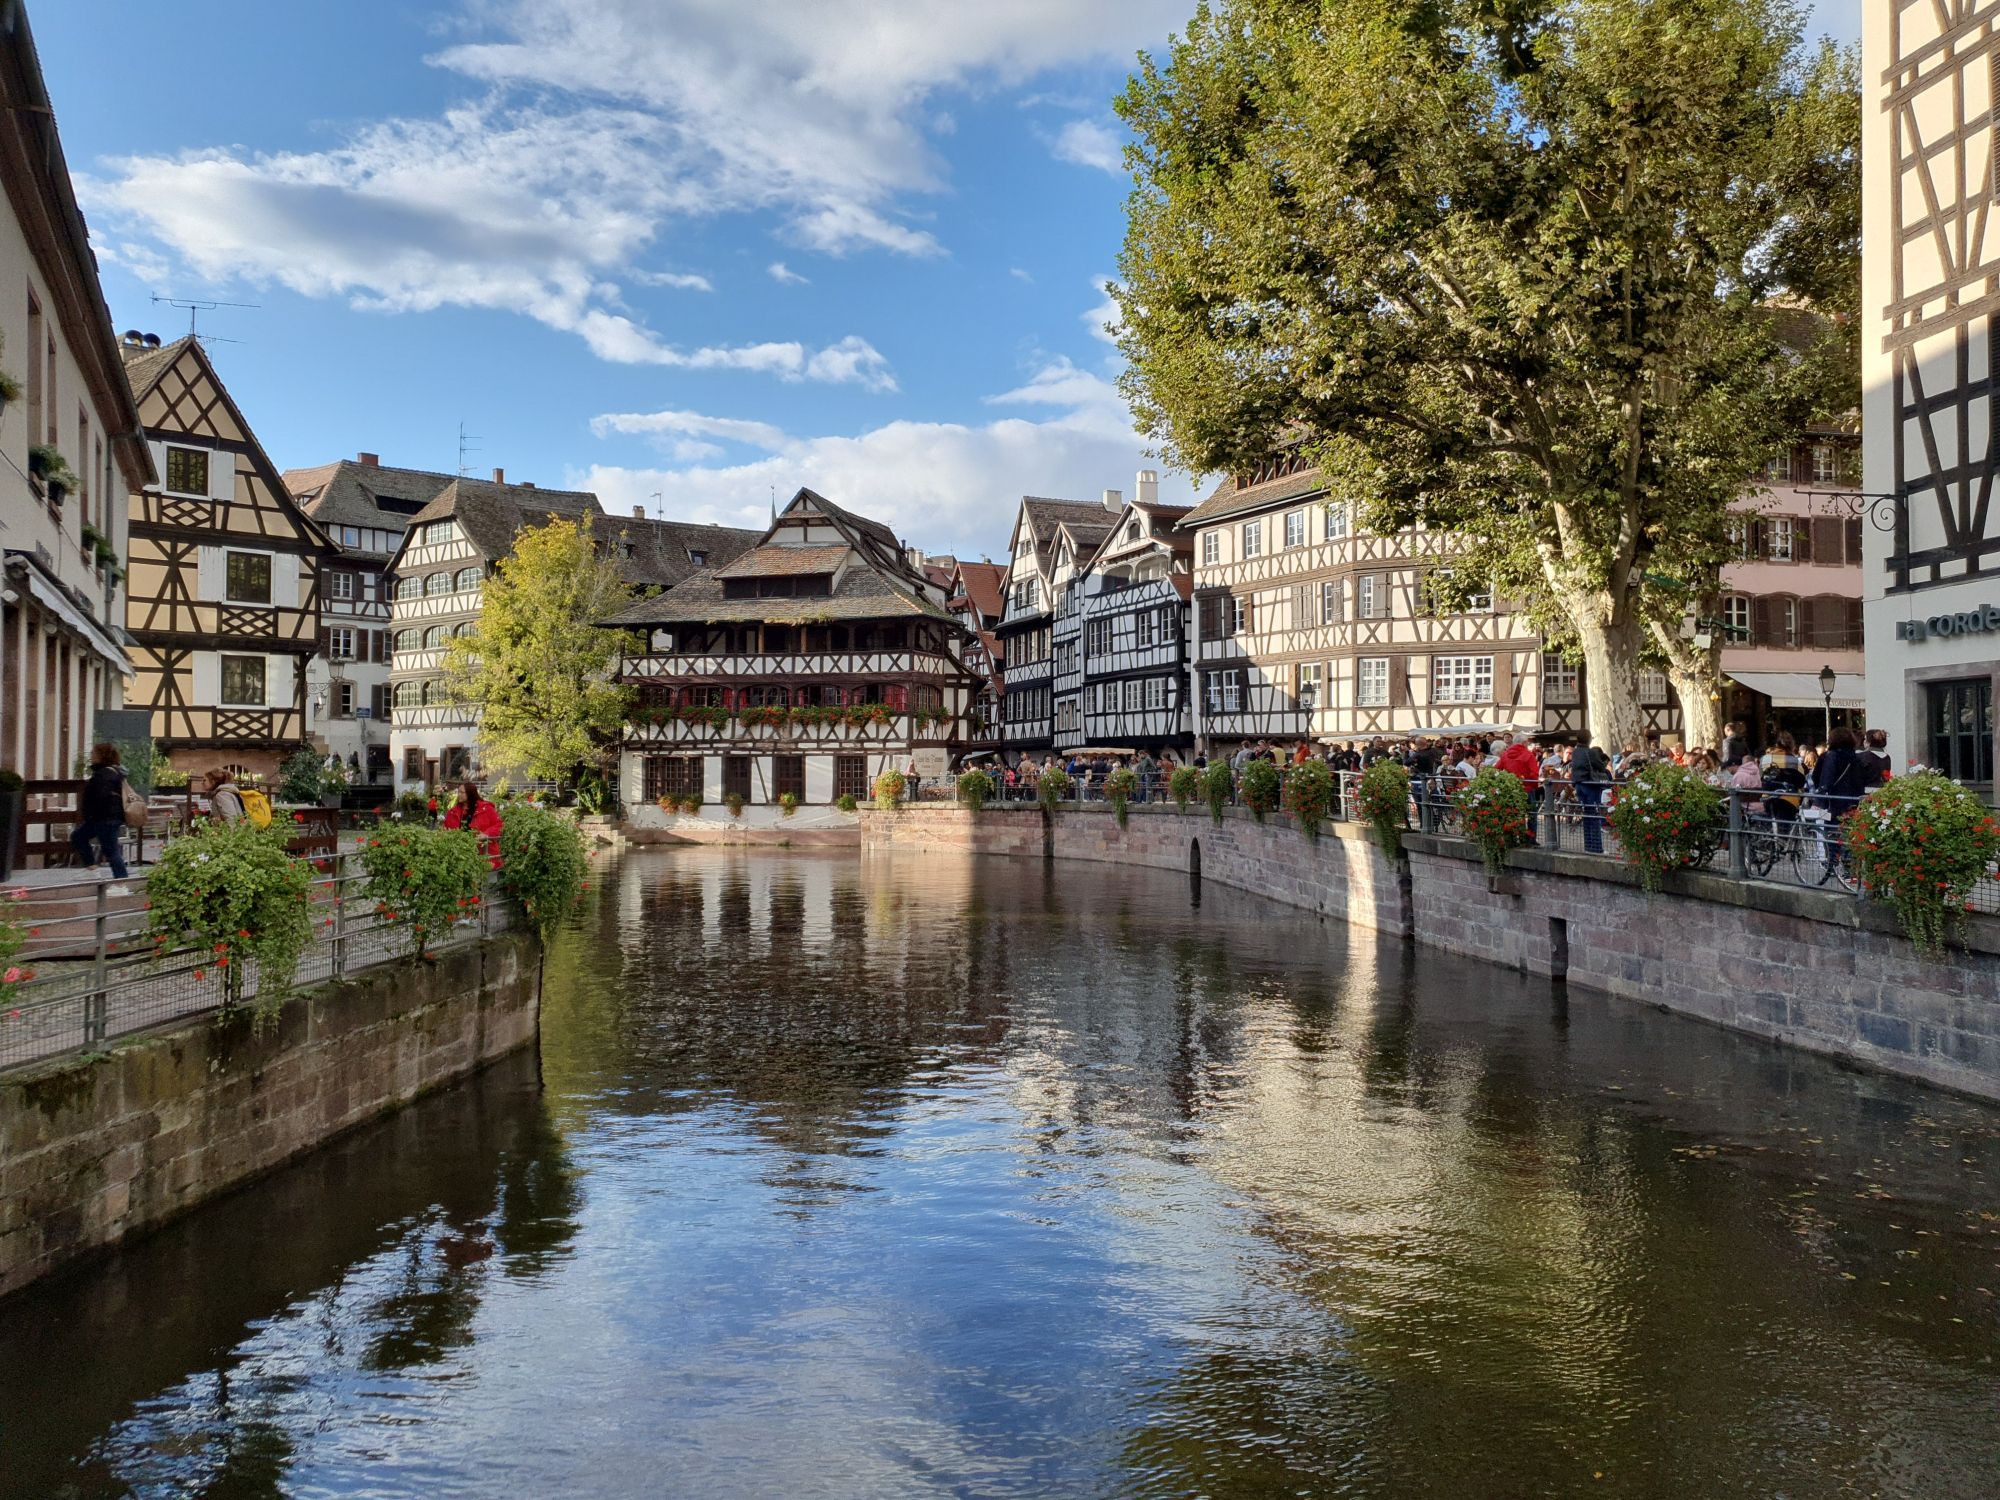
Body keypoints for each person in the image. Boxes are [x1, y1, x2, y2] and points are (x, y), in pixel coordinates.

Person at [72, 743, 131, 890]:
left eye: (93, 753)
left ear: (101, 756)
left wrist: (91, 812)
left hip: (105, 818)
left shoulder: (105, 774)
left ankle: (121, 883)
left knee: (111, 850)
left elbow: (101, 797)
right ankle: (92, 870)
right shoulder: (109, 773)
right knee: (78, 836)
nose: (91, 756)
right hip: (100, 818)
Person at [443, 779, 504, 869]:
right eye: (458, 792)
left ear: (470, 793)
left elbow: (499, 825)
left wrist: (486, 834)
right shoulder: (453, 812)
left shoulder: (486, 808)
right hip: (461, 856)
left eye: (462, 792)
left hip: (484, 853)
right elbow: (445, 829)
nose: (458, 794)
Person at [1571, 732, 1611, 854]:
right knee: (1594, 815)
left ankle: (1588, 845)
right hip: (1591, 785)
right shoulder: (1591, 752)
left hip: (1579, 785)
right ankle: (1597, 848)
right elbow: (1600, 766)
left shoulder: (1575, 752)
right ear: (1588, 739)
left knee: (1587, 816)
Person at [1759, 732, 1806, 824]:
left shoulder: (1765, 759)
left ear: (1776, 744)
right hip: (1789, 798)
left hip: (1768, 796)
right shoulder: (1794, 761)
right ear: (1792, 745)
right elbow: (1801, 782)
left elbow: (1762, 777)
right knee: (1785, 829)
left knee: (1772, 826)